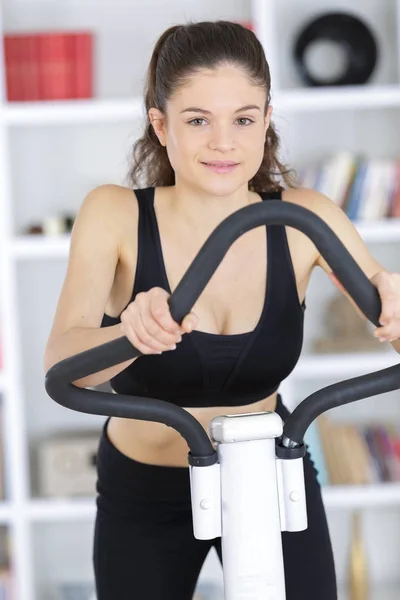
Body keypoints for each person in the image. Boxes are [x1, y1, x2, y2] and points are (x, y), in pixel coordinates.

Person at [44, 20, 400, 600]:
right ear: (160, 125)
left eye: (243, 118)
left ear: (265, 121)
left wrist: (396, 304)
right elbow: (63, 364)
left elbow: (393, 320)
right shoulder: (113, 215)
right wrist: (127, 336)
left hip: (269, 472)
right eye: (196, 120)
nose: (224, 143)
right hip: (146, 484)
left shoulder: (306, 220)